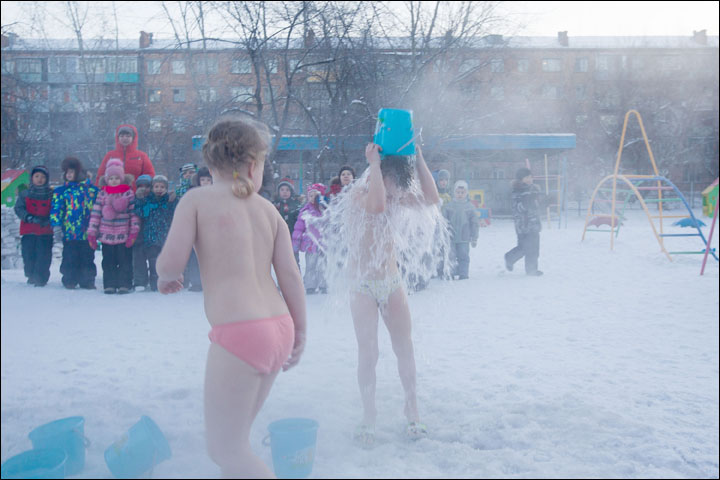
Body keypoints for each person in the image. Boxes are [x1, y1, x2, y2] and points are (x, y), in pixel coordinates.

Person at [155, 115, 306, 478]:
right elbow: (290, 275)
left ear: (210, 162)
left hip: (241, 333)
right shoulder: (269, 211)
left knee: (225, 448)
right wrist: (300, 332)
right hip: (279, 328)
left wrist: (165, 276)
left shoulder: (197, 200)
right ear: (253, 165)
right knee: (236, 442)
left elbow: (171, 261)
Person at [348, 143, 439, 446]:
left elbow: (432, 198)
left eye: (399, 183)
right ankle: (367, 414)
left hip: (391, 281)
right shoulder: (359, 194)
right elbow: (376, 205)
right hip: (362, 286)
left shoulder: (398, 197)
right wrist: (374, 164)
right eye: (392, 181)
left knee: (405, 348)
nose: (396, 189)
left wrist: (420, 157)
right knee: (369, 352)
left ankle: (412, 409)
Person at [87, 159, 140, 294]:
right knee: (108, 261)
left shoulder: (128, 193)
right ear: (107, 179)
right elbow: (96, 213)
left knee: (125, 261)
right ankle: (109, 284)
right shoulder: (102, 194)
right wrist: (92, 232)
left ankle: (124, 284)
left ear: (122, 178)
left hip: (124, 234)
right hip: (106, 235)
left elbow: (133, 213)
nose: (114, 180)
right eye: (111, 178)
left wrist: (134, 232)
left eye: (117, 178)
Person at [50, 157, 100, 289]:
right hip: (70, 232)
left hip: (88, 232)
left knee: (87, 257)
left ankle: (87, 280)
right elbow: (56, 209)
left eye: (71, 172)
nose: (69, 175)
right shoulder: (61, 191)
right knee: (69, 257)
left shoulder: (92, 190)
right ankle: (69, 279)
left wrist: (99, 227)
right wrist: (57, 227)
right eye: (67, 172)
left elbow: (99, 209)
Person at [134, 175, 178, 291]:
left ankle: (167, 281)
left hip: (165, 237)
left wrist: (172, 200)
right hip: (151, 237)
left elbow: (174, 213)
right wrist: (140, 199)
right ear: (152, 188)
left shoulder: (168, 200)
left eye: (162, 187)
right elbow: (141, 212)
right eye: (157, 186)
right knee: (153, 260)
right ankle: (154, 282)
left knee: (165, 260)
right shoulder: (148, 200)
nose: (159, 189)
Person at [14, 165, 54, 287]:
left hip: (45, 230)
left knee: (44, 255)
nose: (40, 179)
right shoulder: (25, 194)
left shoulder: (51, 194)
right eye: (37, 176)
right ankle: (31, 274)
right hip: (29, 230)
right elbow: (18, 208)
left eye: (42, 177)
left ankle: (41, 278)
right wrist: (28, 217)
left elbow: (56, 209)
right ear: (32, 178)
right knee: (28, 254)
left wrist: (50, 219)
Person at [504, 167, 544, 276]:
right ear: (520, 179)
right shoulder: (517, 191)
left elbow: (537, 206)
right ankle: (510, 257)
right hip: (523, 224)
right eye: (526, 177)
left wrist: (545, 202)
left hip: (534, 223)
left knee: (534, 248)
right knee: (524, 247)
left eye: (530, 177)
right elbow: (519, 208)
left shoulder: (534, 189)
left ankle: (531, 270)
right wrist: (528, 201)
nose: (529, 179)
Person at [292, 183, 328, 294]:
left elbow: (330, 223)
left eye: (316, 195)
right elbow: (299, 227)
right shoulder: (305, 211)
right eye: (310, 196)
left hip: (323, 244)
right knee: (311, 265)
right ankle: (310, 286)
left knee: (323, 265)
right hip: (310, 245)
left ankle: (323, 284)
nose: (313, 198)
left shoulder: (325, 210)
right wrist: (296, 242)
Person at [97, 125, 155, 191]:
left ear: (133, 138)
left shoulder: (142, 156)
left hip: (135, 195)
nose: (125, 138)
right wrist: (99, 192)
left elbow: (150, 175)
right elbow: (100, 176)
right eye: (122, 136)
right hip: (112, 196)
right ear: (117, 138)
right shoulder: (110, 155)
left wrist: (142, 189)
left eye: (128, 136)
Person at [441, 180, 479, 280]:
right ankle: (451, 273)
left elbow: (474, 223)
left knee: (464, 255)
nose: (460, 194)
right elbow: (443, 221)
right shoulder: (448, 206)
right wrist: (443, 235)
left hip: (464, 237)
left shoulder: (470, 207)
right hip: (451, 237)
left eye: (462, 193)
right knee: (451, 256)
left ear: (466, 193)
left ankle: (463, 273)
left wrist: (474, 237)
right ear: (454, 192)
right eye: (458, 192)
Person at [131, 174, 153, 291]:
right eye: (141, 186)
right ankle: (140, 280)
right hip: (138, 234)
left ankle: (155, 279)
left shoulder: (155, 199)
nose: (144, 189)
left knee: (154, 258)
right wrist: (139, 199)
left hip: (153, 234)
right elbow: (137, 212)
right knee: (138, 258)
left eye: (147, 186)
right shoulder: (135, 199)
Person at [273, 180, 301, 267]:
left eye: (287, 190)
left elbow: (299, 221)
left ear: (291, 192)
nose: (285, 192)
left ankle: (296, 278)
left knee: (294, 260)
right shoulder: (275, 205)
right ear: (278, 192)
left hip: (292, 236)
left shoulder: (296, 204)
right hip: (279, 237)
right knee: (281, 261)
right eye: (282, 190)